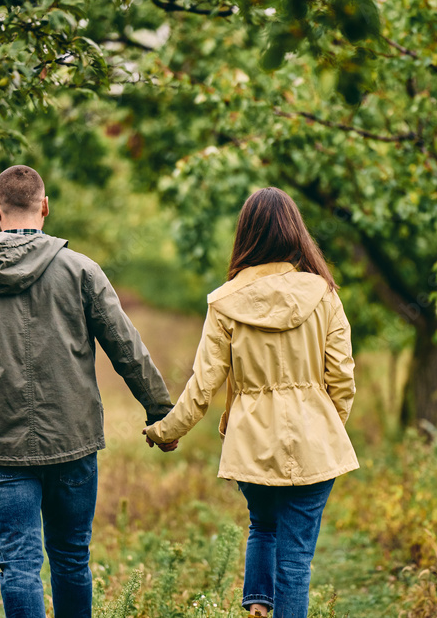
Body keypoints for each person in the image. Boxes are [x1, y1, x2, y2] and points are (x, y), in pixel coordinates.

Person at [0, 164, 177, 618]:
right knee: (70, 558)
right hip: (73, 437)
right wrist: (160, 411)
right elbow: (127, 347)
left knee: (19, 564)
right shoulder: (81, 270)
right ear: (44, 206)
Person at [144, 187, 358, 618]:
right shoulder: (324, 294)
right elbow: (343, 378)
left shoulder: (225, 302)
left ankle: (259, 607)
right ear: (295, 233)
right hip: (316, 443)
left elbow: (202, 385)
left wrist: (164, 431)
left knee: (262, 525)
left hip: (253, 446)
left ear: (246, 235)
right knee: (295, 563)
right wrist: (326, 427)